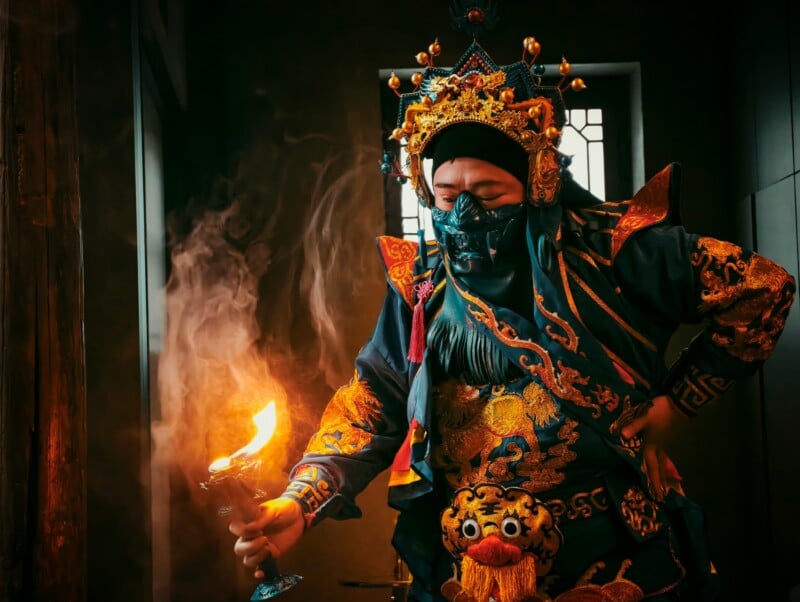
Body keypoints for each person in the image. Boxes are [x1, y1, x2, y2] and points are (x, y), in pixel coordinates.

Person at [229, 31, 796, 602]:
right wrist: (301, 502)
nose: (466, 213)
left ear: (537, 183)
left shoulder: (611, 251)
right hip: (466, 555)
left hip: (607, 552)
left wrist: (678, 401)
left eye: (490, 194)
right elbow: (371, 402)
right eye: (448, 197)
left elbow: (764, 287)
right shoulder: (421, 284)